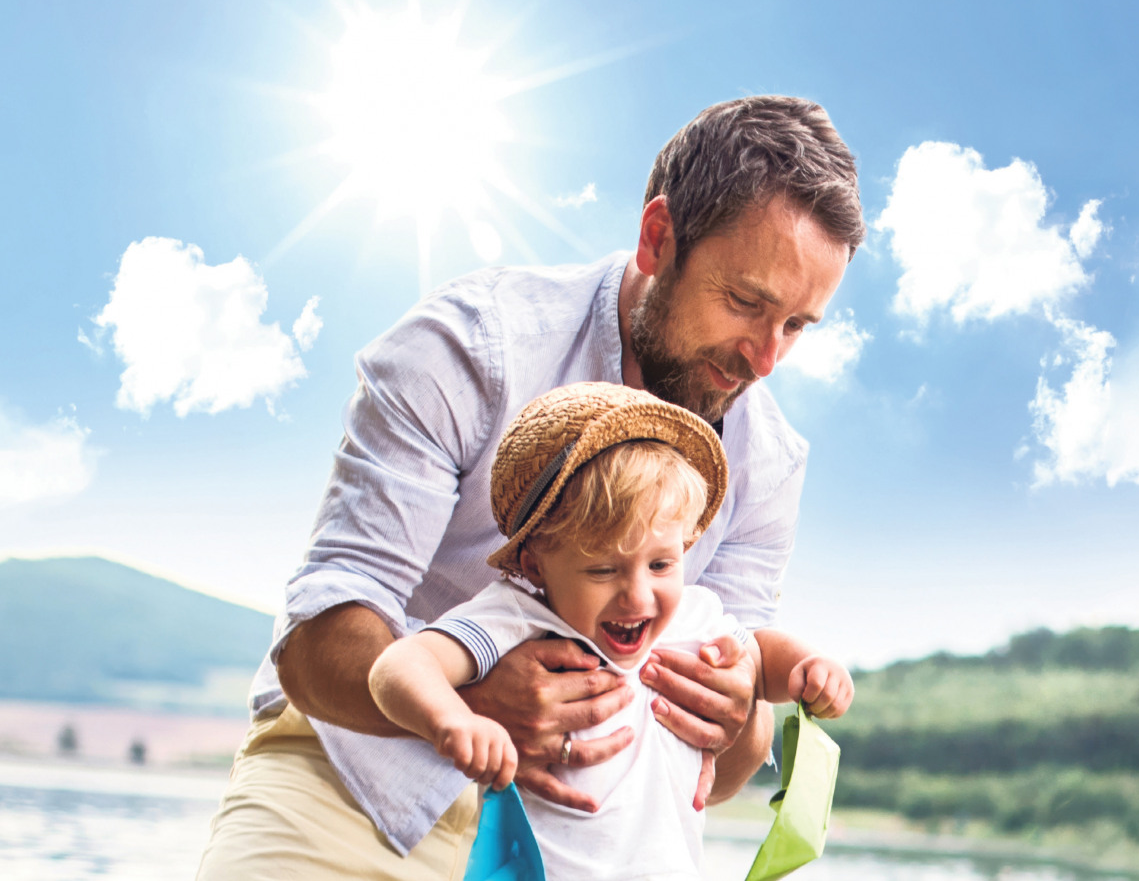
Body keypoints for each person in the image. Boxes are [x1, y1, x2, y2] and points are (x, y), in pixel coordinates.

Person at [196, 95, 866, 880]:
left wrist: (737, 712)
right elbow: (314, 642)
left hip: (572, 849)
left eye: (797, 326)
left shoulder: (769, 460)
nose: (764, 359)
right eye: (746, 303)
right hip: (353, 784)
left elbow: (733, 756)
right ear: (659, 238)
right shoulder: (471, 346)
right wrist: (470, 708)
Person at [370, 382, 854, 880]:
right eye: (603, 571)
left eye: (663, 564)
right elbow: (400, 665)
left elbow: (759, 656)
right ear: (534, 564)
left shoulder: (693, 616)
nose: (638, 597)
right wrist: (452, 718)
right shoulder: (518, 618)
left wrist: (807, 667)